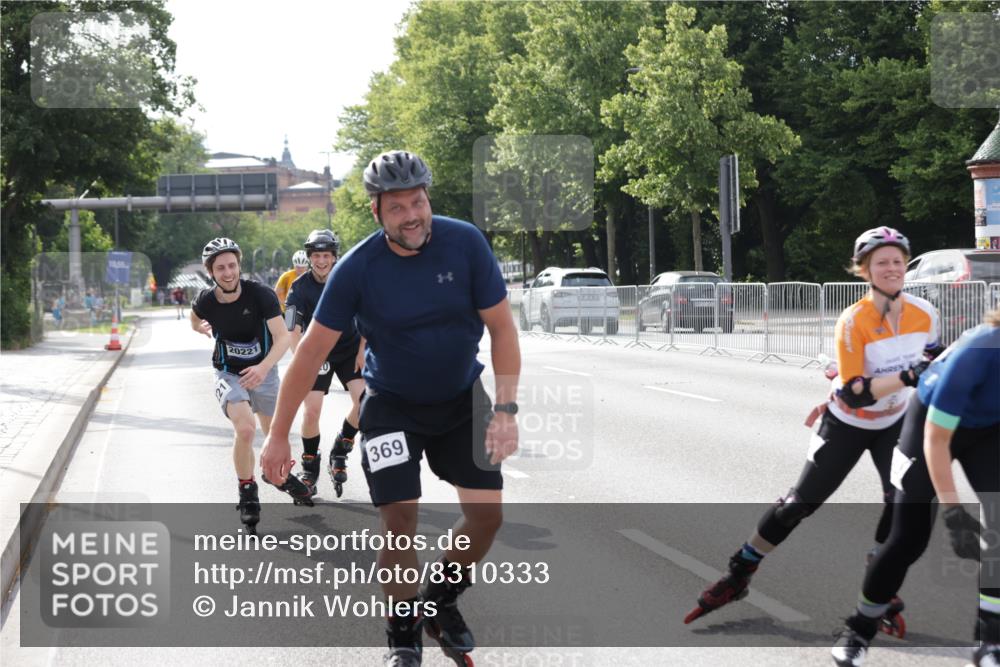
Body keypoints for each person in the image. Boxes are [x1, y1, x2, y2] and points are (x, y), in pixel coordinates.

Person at [262, 150, 521, 667]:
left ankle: (440, 600)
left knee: (487, 517)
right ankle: (401, 633)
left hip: (461, 399)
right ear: (377, 212)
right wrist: (276, 436)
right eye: (397, 206)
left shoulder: (465, 242)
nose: (412, 215)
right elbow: (310, 352)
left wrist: (507, 408)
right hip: (391, 405)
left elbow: (501, 327)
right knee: (399, 519)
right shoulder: (358, 267)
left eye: (418, 202)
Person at [685, 227, 941, 625]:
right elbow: (857, 393)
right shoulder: (853, 321)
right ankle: (740, 571)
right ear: (864, 271)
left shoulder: (925, 313)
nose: (891, 269)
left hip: (895, 423)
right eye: (881, 263)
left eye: (897, 261)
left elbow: (933, 360)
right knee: (797, 505)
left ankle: (880, 580)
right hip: (848, 422)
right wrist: (909, 376)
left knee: (905, 501)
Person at [831, 306, 1000, 667]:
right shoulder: (979, 351)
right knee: (909, 538)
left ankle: (990, 640)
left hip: (988, 429)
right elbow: (937, 441)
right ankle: (859, 629)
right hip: (930, 425)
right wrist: (954, 514)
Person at [189, 237, 307, 535]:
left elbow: (282, 338)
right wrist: (199, 327)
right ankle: (248, 494)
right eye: (220, 268)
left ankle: (280, 476)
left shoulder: (261, 294)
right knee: (245, 429)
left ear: (239, 265)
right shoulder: (206, 299)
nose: (228, 273)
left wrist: (263, 368)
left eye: (232, 265)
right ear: (211, 272)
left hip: (264, 372)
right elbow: (194, 318)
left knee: (274, 436)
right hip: (228, 372)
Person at [284, 228, 366, 498]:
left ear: (334, 257)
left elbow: (369, 316)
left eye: (326, 256)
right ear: (310, 257)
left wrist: (363, 350)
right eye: (316, 256)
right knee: (311, 411)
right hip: (317, 351)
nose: (321, 261)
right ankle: (309, 465)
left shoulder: (349, 280)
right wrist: (303, 360)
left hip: (349, 348)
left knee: (365, 402)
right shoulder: (299, 287)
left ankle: (341, 449)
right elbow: (291, 329)